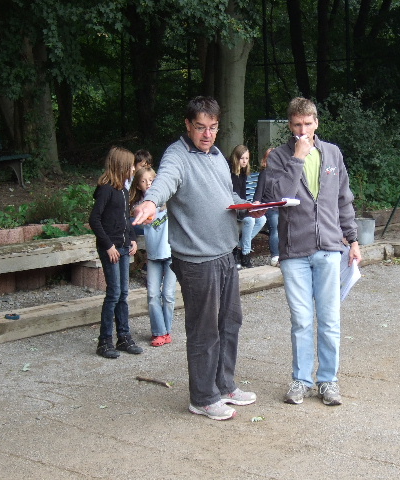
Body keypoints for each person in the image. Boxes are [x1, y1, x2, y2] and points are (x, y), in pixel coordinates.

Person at [132, 96, 259, 421]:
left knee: (230, 322)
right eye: (200, 127)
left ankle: (224, 385)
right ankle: (202, 397)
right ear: (188, 125)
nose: (207, 134)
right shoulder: (177, 156)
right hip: (196, 260)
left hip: (225, 253)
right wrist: (150, 202)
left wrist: (247, 207)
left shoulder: (216, 156)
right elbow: (164, 182)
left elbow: (227, 195)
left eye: (213, 127)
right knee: (204, 330)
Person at [262, 97, 362, 406]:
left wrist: (353, 239)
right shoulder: (280, 157)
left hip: (330, 248)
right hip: (294, 250)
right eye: (297, 125)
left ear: (316, 122)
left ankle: (328, 380)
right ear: (289, 126)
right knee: (302, 320)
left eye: (307, 124)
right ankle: (301, 380)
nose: (302, 130)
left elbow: (344, 199)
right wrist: (298, 158)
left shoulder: (332, 153)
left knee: (329, 320)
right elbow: (277, 197)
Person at [89, 146, 143, 359]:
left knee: (123, 294)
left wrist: (132, 239)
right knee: (113, 293)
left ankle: (124, 337)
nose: (133, 169)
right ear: (121, 166)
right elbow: (94, 219)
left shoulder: (123, 190)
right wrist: (108, 246)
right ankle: (104, 342)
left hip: (123, 247)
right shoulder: (106, 190)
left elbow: (125, 219)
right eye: (130, 166)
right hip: (110, 249)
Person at [130, 166, 177, 348]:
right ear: (138, 185)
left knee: (168, 294)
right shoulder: (139, 206)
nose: (148, 184)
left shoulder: (167, 200)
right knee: (152, 295)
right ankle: (159, 332)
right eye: (143, 181)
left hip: (171, 253)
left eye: (151, 180)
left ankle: (167, 331)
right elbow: (134, 217)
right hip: (153, 255)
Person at [229, 144, 267, 268]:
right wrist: (246, 206)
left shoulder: (243, 172)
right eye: (242, 158)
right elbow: (231, 196)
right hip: (233, 208)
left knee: (262, 219)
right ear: (236, 158)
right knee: (250, 220)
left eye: (247, 158)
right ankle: (245, 254)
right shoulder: (230, 172)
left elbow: (243, 194)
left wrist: (251, 205)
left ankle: (239, 247)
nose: (245, 161)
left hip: (242, 206)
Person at [254, 147, 279, 266]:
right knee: (275, 228)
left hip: (281, 207)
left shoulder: (282, 173)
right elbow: (258, 194)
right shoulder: (264, 174)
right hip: (269, 208)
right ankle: (275, 256)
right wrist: (256, 207)